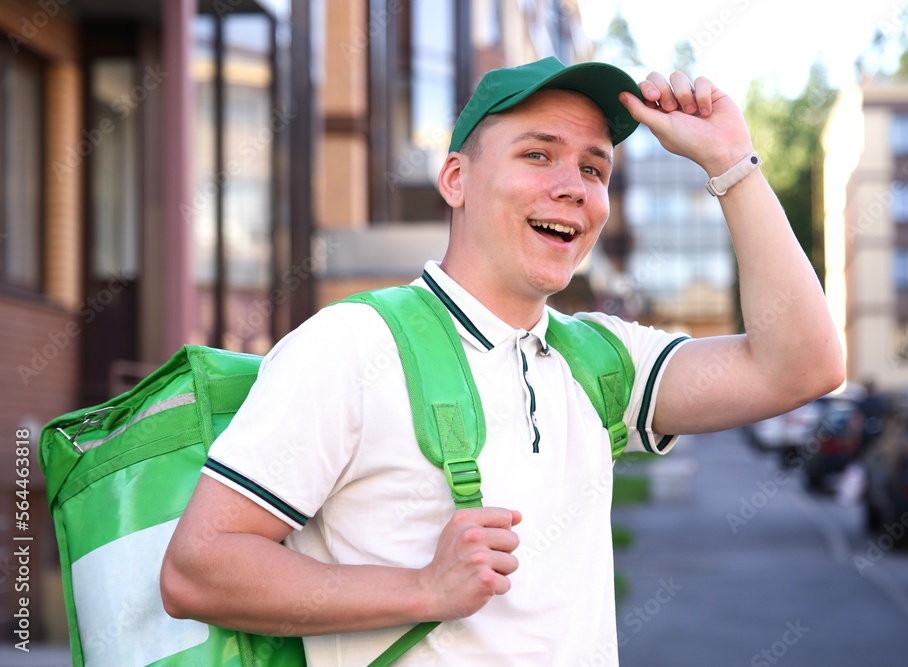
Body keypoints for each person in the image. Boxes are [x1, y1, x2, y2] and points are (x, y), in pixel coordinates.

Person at [160, 57, 844, 665]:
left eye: (593, 167)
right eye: (538, 155)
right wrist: (424, 588)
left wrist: (733, 165)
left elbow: (802, 365)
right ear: (456, 179)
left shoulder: (602, 360)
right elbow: (199, 569)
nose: (573, 186)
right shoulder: (353, 344)